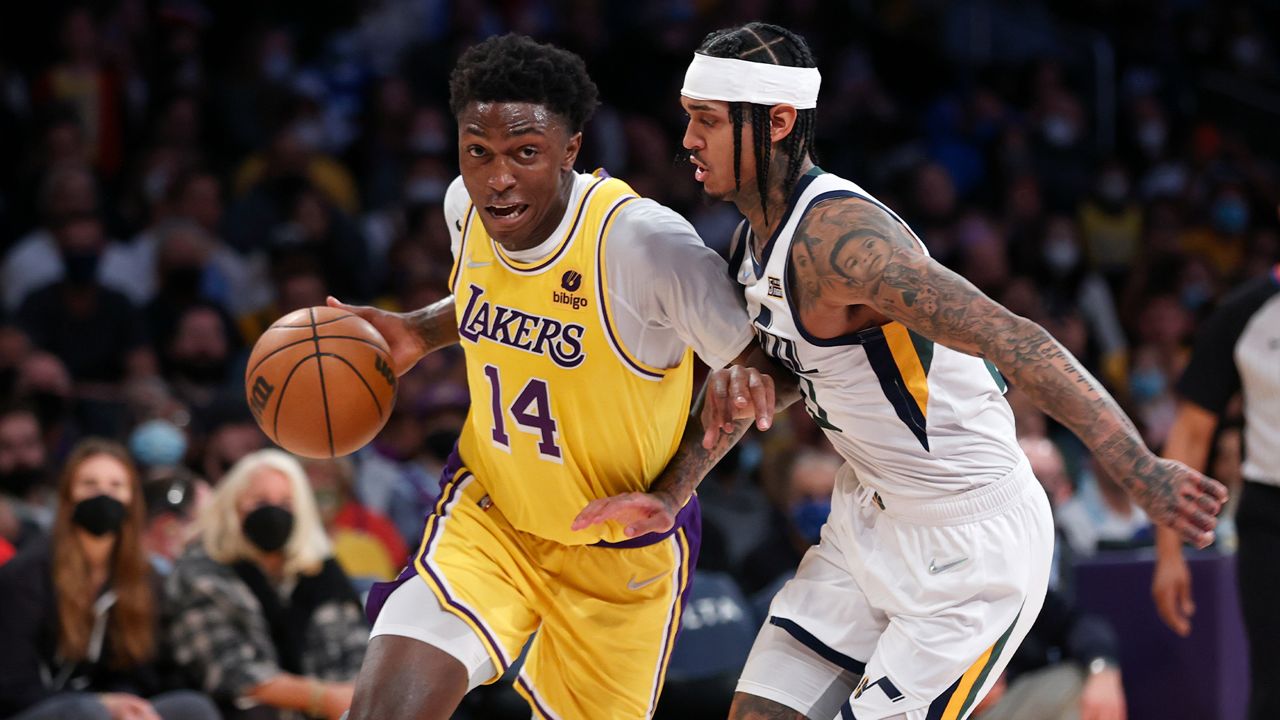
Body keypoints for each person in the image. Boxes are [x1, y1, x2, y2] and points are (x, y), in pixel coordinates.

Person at [580, 22, 1226, 720]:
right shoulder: (750, 244)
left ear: (777, 122)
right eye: (687, 119)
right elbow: (797, 366)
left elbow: (1016, 339)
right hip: (866, 516)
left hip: (970, 542)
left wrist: (1142, 468)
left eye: (705, 120)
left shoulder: (846, 243)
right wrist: (676, 489)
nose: (688, 141)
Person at [333, 33, 769, 720]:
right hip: (493, 518)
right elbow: (498, 300)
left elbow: (758, 364)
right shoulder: (462, 208)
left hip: (621, 549)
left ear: (570, 150)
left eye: (524, 154)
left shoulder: (647, 247)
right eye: (477, 151)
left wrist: (675, 488)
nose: (496, 178)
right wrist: (420, 329)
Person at [0, 438, 219, 720]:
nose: (103, 495)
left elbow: (139, 671)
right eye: (90, 485)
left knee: (191, 708)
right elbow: (13, 687)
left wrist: (127, 704)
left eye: (116, 486)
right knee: (85, 712)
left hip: (103, 709)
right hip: (38, 709)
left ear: (132, 499)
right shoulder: (25, 574)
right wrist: (103, 703)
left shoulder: (143, 578)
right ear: (68, 497)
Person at [1151, 261, 1280, 720]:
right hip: (1272, 521)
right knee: (1274, 687)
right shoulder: (1244, 313)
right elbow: (1190, 435)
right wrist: (1168, 552)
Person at [164, 449, 367, 720]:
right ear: (232, 506)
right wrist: (323, 697)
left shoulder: (322, 570)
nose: (273, 512)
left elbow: (359, 653)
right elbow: (230, 671)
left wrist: (352, 699)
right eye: (259, 501)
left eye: (285, 503)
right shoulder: (200, 570)